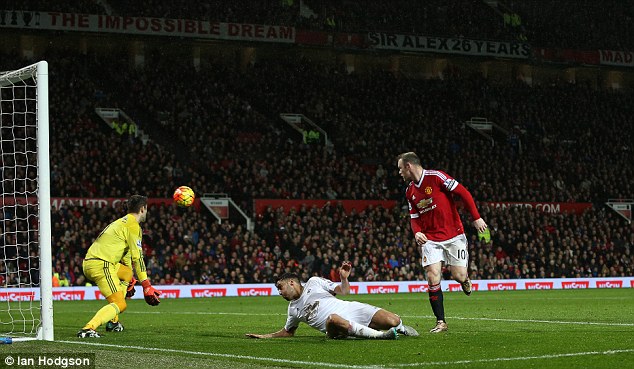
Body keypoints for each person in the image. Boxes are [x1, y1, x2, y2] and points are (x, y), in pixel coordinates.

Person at [396, 152, 487, 333]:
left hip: (454, 235)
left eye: (400, 168)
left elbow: (463, 192)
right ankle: (441, 322)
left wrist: (476, 218)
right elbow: (414, 217)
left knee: (458, 275)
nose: (399, 173)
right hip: (430, 239)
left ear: (408, 166)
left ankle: (465, 279)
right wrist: (417, 233)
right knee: (432, 275)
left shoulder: (436, 177)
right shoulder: (410, 192)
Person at [245, 261, 419, 340]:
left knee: (393, 321)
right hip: (334, 328)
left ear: (291, 283)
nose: (280, 292)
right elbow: (288, 332)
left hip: (352, 309)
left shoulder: (314, 282)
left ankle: (401, 328)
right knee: (332, 318)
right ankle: (382, 337)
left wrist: (344, 278)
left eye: (280, 288)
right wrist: (264, 336)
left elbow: (344, 291)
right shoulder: (293, 309)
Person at [77, 195, 162, 338]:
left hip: (94, 261)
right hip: (101, 264)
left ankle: (113, 322)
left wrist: (131, 279)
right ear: (142, 209)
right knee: (120, 304)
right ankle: (88, 329)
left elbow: (127, 256)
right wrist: (146, 284)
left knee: (127, 274)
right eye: (146, 209)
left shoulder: (122, 223)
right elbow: (137, 257)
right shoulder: (133, 225)